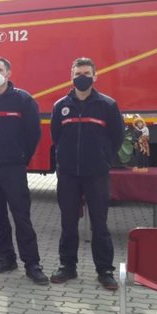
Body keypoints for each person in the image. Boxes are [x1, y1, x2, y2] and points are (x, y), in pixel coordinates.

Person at [0, 57, 49, 285]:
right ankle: (6, 258)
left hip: (13, 169)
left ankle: (32, 264)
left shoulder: (22, 100)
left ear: (8, 73)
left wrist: (21, 157)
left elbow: (33, 133)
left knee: (21, 217)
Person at [49, 57, 124, 290]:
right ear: (71, 76)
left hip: (96, 174)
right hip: (69, 174)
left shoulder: (107, 105)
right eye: (78, 73)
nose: (82, 77)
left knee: (100, 225)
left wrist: (102, 158)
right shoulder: (60, 106)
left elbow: (117, 137)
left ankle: (105, 271)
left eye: (86, 73)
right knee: (68, 223)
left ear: (95, 76)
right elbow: (56, 137)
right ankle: (67, 267)